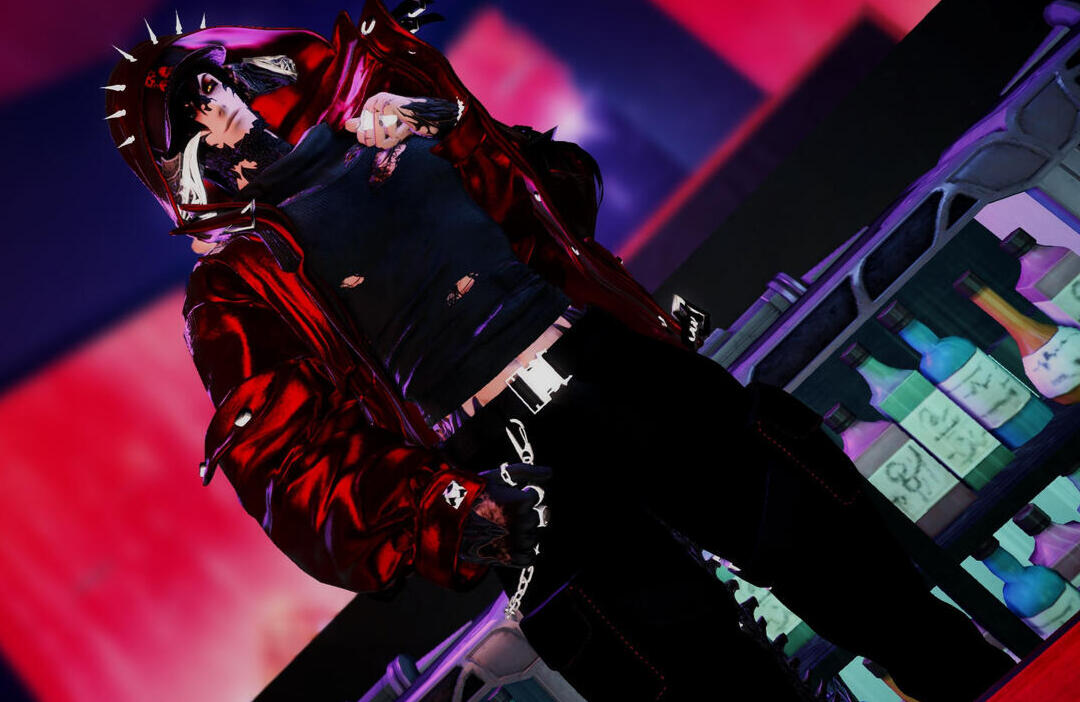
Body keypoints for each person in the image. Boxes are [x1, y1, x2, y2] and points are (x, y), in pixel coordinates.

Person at [105, 4, 1016, 700]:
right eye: (191, 112)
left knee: (834, 553)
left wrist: (446, 123)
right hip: (511, 463)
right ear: (178, 159)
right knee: (691, 667)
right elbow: (287, 463)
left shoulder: (385, 113)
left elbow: (563, 196)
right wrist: (443, 509)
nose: (218, 105)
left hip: (609, 367)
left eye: (212, 81)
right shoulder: (237, 284)